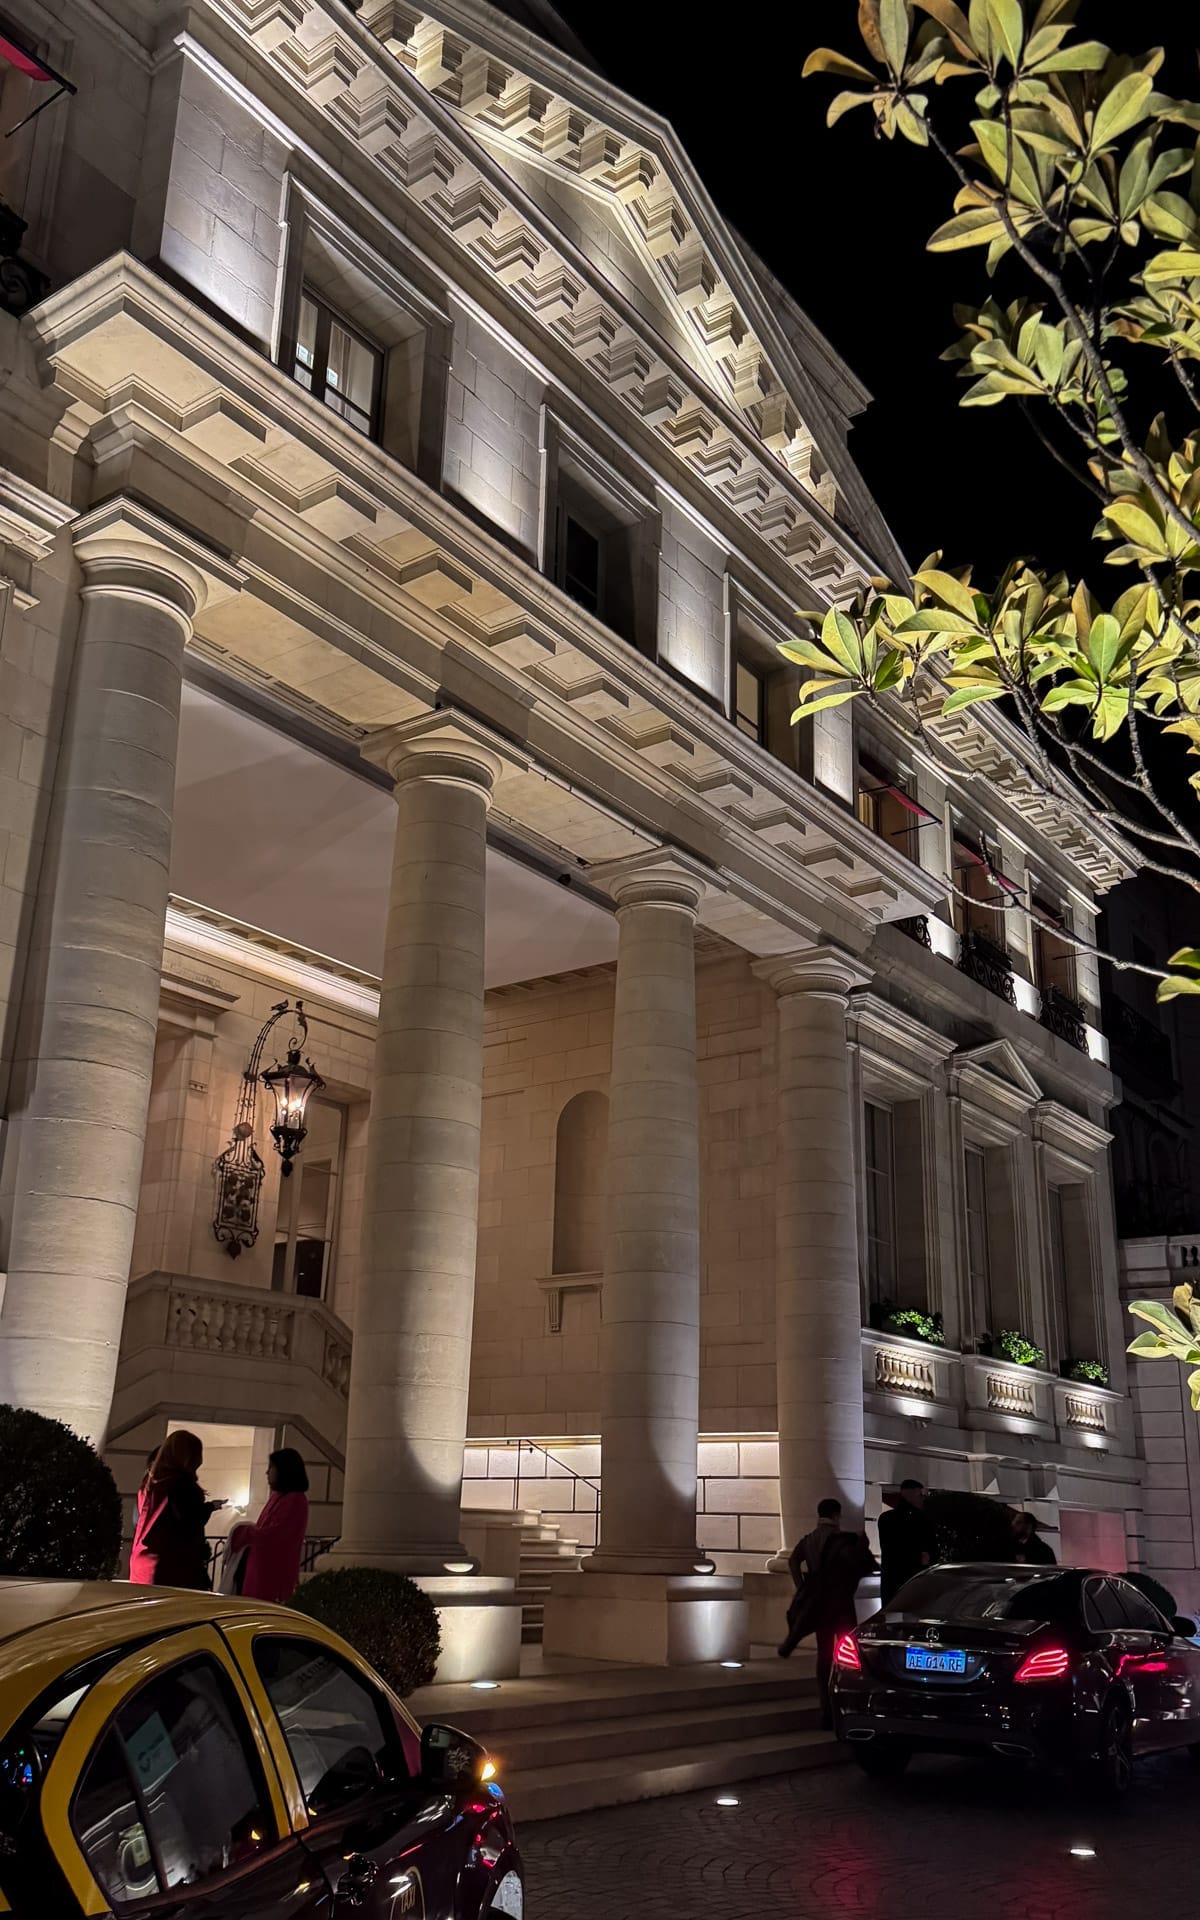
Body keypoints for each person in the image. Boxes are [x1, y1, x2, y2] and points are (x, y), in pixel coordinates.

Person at [778, 1498, 876, 1728]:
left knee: (824, 1657)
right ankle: (845, 1706)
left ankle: (826, 1710)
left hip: (820, 1606)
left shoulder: (809, 1539)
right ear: (836, 1515)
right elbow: (860, 1565)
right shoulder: (843, 1540)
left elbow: (793, 1561)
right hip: (841, 1604)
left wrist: (802, 1585)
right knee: (848, 1655)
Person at [130, 1431, 224, 1590]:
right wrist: (209, 1507)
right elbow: (190, 1520)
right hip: (173, 1568)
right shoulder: (182, 1484)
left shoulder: (150, 1484)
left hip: (143, 1564)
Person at [228, 1449, 310, 1603]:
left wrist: (246, 1532)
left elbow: (275, 1535)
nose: (267, 1472)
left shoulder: (295, 1500)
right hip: (259, 1571)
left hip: (273, 1576)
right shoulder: (278, 1497)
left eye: (271, 1467)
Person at [878, 1479, 935, 1605]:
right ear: (912, 1494)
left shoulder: (886, 1518)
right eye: (921, 1495)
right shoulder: (920, 1518)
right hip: (913, 1580)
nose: (923, 1499)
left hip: (891, 1582)